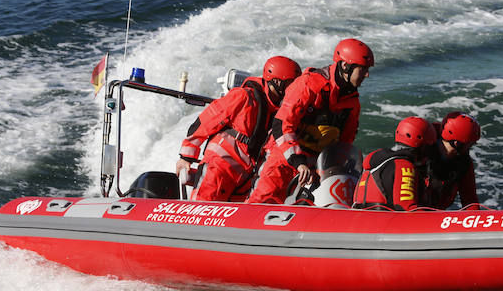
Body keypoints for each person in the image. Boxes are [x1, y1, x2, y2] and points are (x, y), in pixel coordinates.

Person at [246, 38, 373, 204]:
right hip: (284, 159)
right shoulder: (310, 83)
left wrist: (336, 168)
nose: (367, 74)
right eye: (362, 69)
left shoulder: (352, 102)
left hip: (316, 169)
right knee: (262, 203)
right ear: (345, 66)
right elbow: (282, 125)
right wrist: (298, 162)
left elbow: (345, 142)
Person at [176, 56, 301, 201]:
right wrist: (186, 157)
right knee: (203, 211)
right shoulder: (243, 96)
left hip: (244, 178)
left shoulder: (278, 114)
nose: (294, 90)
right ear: (277, 82)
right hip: (218, 168)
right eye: (291, 84)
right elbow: (205, 122)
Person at [351, 116, 437, 210]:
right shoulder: (404, 166)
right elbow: (407, 208)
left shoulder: (381, 160)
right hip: (381, 221)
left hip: (361, 217)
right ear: (423, 146)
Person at [423, 111, 482, 210]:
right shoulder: (422, 154)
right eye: (471, 143)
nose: (472, 146)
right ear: (457, 143)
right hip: (412, 214)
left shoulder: (464, 163)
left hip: (436, 214)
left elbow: (470, 200)